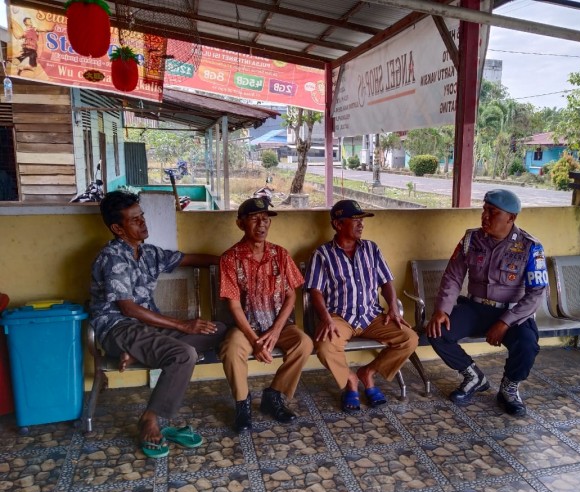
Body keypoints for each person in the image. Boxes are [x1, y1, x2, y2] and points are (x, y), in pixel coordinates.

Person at [89, 191, 226, 458]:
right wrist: (182, 326)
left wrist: (232, 261)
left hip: (146, 329)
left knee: (220, 330)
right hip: (118, 327)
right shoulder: (113, 257)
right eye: (134, 219)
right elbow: (127, 308)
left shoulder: (148, 253)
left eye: (142, 216)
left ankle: (137, 350)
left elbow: (188, 259)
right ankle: (150, 419)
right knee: (183, 354)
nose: (143, 223)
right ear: (118, 228)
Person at [426, 189, 548, 417]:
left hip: (512, 313)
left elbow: (536, 292)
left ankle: (509, 387)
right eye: (484, 210)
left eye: (492, 212)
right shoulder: (471, 239)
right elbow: (453, 276)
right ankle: (474, 377)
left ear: (511, 217)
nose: (485, 216)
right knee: (437, 331)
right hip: (475, 308)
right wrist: (442, 310)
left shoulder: (530, 247)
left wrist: (505, 322)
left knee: (528, 343)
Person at [305, 200, 419, 413]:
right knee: (324, 346)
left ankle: (368, 373)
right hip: (340, 317)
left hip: (371, 316)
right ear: (338, 225)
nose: (360, 224)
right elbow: (315, 291)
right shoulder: (322, 254)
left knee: (409, 338)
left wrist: (393, 307)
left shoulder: (371, 249)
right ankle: (350, 379)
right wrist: (327, 319)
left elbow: (386, 282)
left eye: (361, 220)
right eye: (355, 220)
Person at [218, 197, 312, 432]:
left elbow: (291, 295)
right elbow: (234, 306)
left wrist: (276, 330)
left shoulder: (280, 254)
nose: (261, 224)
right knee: (231, 350)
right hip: (246, 326)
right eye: (254, 219)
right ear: (240, 224)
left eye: (266, 219)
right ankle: (242, 404)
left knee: (304, 343)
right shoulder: (230, 259)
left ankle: (274, 395)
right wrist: (255, 341)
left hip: (277, 325)